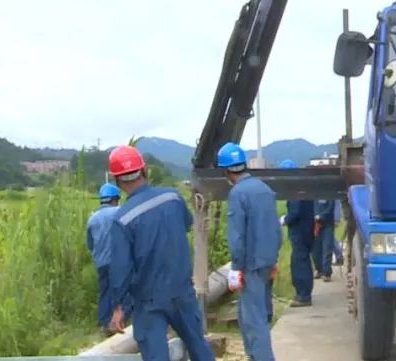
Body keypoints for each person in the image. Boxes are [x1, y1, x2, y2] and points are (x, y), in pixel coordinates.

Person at [105, 145, 215, 361]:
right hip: (182, 290)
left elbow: (120, 269)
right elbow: (186, 224)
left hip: (149, 300)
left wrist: (118, 307)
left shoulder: (123, 219)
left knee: (156, 356)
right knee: (199, 346)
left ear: (117, 180)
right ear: (144, 170)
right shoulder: (172, 198)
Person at [218, 142, 281, 361]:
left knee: (255, 321)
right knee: (250, 316)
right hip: (266, 262)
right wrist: (273, 260)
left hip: (250, 265)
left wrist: (236, 268)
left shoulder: (238, 193)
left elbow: (237, 236)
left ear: (226, 170)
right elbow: (275, 228)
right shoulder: (264, 189)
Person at [86, 181, 123, 335]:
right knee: (123, 291)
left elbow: (90, 243)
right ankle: (122, 323)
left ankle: (104, 324)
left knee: (105, 292)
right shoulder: (120, 212)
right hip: (120, 261)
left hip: (101, 262)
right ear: (115, 199)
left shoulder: (92, 218)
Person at [278, 159, 315, 307]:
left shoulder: (294, 190)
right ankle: (304, 293)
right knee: (303, 261)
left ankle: (303, 295)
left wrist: (284, 220)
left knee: (299, 262)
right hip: (307, 230)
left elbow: (295, 212)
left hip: (299, 232)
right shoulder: (304, 187)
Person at [311, 199, 335, 282]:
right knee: (315, 249)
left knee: (327, 247)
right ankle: (319, 270)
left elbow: (330, 209)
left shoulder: (328, 193)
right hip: (314, 225)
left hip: (327, 224)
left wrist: (320, 216)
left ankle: (327, 273)